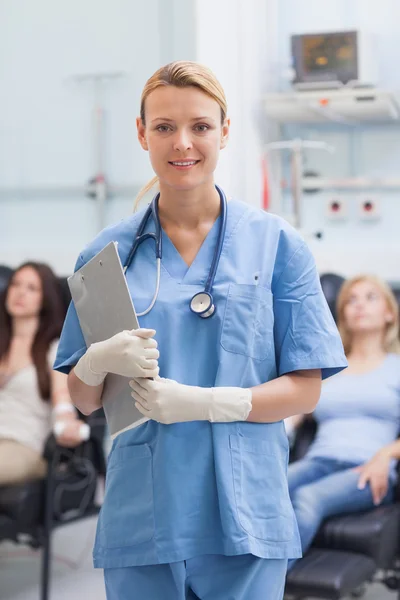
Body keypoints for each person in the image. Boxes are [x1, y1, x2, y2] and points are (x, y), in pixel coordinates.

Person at [54, 61, 347, 600]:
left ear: (225, 131)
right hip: (145, 509)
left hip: (246, 506)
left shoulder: (278, 246)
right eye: (164, 127)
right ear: (142, 133)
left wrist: (206, 403)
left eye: (201, 126)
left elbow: (306, 387)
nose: (182, 143)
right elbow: (84, 399)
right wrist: (94, 362)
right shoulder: (105, 256)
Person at [286, 274, 400, 570]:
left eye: (370, 297)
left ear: (390, 312)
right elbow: (295, 413)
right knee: (266, 488)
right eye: (351, 299)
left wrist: (386, 455)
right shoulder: (329, 367)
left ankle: (261, 589)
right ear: (343, 316)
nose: (359, 305)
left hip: (365, 468)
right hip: (318, 461)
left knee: (308, 498)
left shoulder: (396, 368)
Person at [0, 262, 88, 485]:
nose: (20, 292)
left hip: (22, 445)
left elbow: (62, 402)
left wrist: (67, 422)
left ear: (45, 298)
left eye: (32, 288)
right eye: (16, 285)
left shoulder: (54, 350)